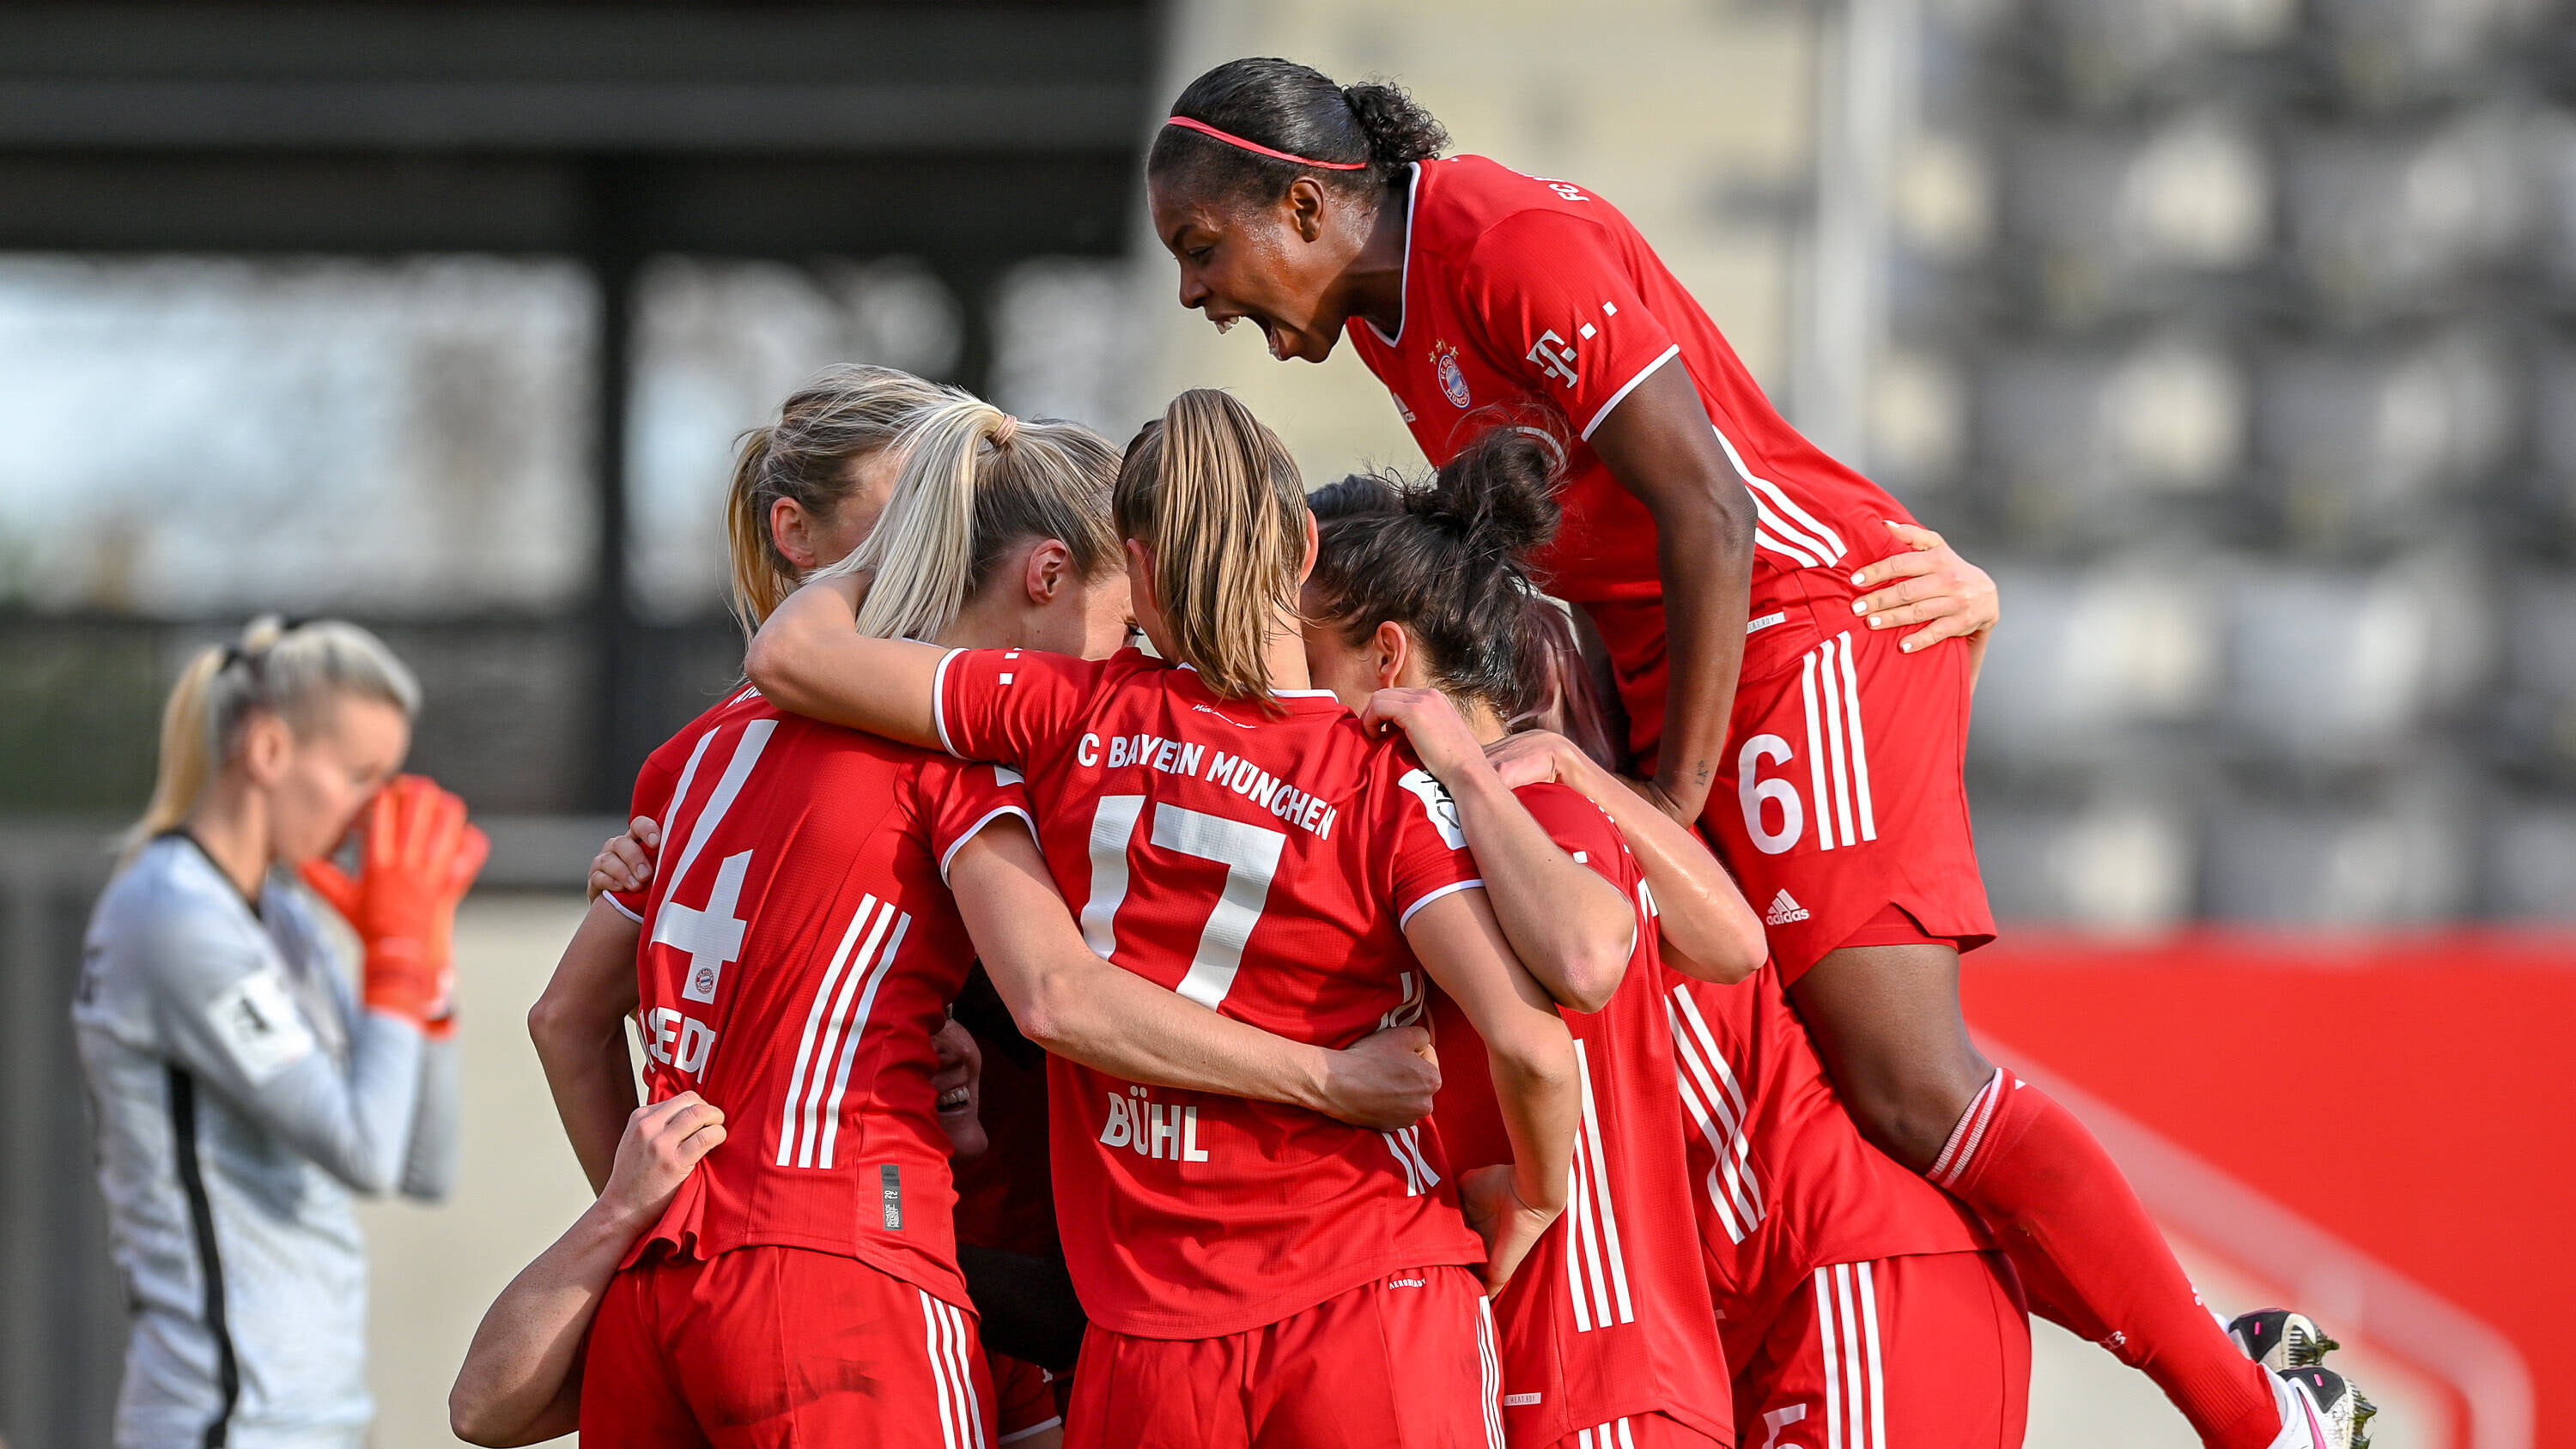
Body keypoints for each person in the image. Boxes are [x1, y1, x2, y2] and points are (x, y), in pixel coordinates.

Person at [1143, 57, 2366, 1449]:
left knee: (1903, 1080)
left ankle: (2255, 1403)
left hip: (1797, 630)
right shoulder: (1393, 322)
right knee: (1794, 1080)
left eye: (1201, 247)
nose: (1196, 292)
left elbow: (1715, 511)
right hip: (1692, 667)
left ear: (1303, 203)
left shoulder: (1506, 243)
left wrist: (1658, 799)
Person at [532, 391, 1453, 1448]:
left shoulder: (693, 756)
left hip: (670, 1269)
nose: (1138, 668)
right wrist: (1329, 1076)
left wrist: (643, 1219)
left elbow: (566, 1018)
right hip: (852, 1259)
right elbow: (1058, 991)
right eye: (1123, 627)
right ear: (1048, 576)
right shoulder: (965, 762)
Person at [745, 388, 1601, 1448]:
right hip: (1368, 1297)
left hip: (1151, 1338)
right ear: (1300, 547)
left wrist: (899, 540)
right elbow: (1535, 1047)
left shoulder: (1063, 709)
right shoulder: (1384, 781)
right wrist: (1531, 1203)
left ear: (1137, 572)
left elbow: (790, 655)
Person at [1299, 431, 1754, 1449]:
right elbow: (1732, 944)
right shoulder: (1468, 807)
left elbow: (1610, 960)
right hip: (1551, 1375)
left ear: (1386, 656)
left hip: (1595, 1373)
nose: (1286, 684)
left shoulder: (1521, 812)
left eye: (1304, 650)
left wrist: (1497, 768)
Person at [76, 616, 485, 1449]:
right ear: (267, 750)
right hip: (222, 1417)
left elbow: (422, 1162)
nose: (374, 811)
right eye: (359, 775)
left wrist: (425, 969)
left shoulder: (284, 918)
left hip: (322, 1413)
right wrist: (394, 966)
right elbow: (364, 1152)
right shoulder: (172, 915)